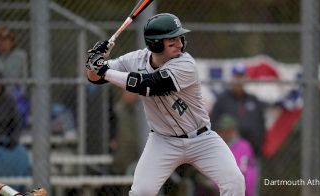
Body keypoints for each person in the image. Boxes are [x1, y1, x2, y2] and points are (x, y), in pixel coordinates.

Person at [85, 13, 245, 195]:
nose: (179, 44)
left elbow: (149, 85)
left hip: (201, 139)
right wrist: (93, 64)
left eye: (180, 38)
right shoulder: (135, 59)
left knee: (234, 181)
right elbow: (94, 78)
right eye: (172, 41)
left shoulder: (185, 64)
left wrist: (103, 69)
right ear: (155, 44)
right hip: (163, 141)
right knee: (141, 192)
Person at [210, 63, 266, 157]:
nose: (239, 80)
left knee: (250, 172)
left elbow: (261, 124)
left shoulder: (254, 100)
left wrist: (257, 145)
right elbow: (213, 124)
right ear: (231, 78)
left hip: (252, 153)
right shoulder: (222, 100)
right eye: (236, 77)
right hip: (227, 153)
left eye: (241, 76)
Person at [0, 68, 31, 192]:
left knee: (20, 154)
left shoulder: (8, 100)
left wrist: (13, 141)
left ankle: (12, 190)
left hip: (7, 142)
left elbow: (16, 124)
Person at [0, 26, 30, 128]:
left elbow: (24, 80)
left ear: (12, 41)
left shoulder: (20, 56)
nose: (3, 43)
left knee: (18, 105)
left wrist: (20, 94)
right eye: (0, 40)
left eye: (7, 39)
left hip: (13, 94)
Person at [216, 115, 258, 196]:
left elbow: (242, 172)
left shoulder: (243, 146)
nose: (223, 133)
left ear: (233, 131)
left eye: (227, 130)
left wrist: (213, 184)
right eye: (221, 130)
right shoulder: (218, 145)